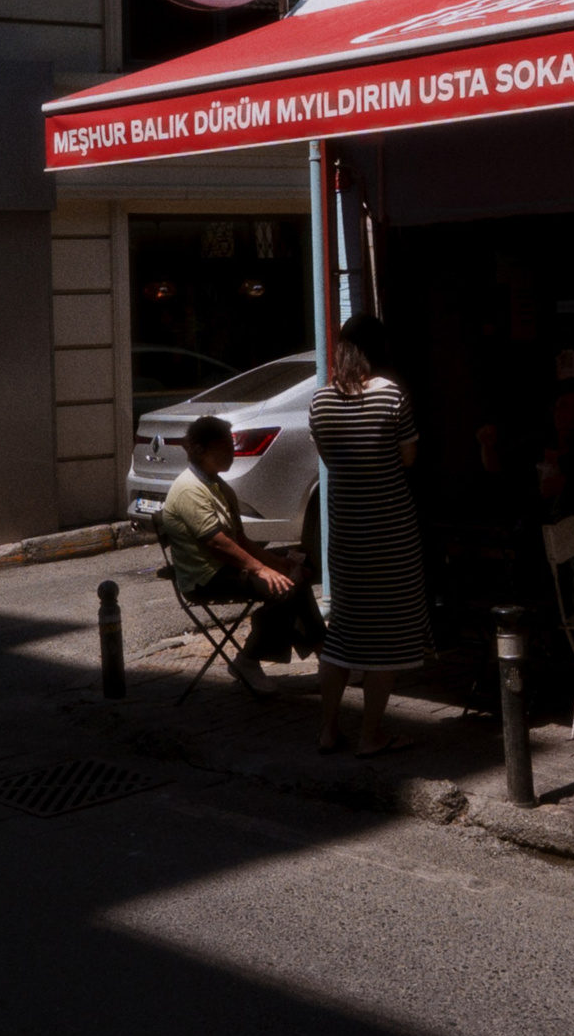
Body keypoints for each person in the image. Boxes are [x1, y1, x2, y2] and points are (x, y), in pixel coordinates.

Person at [309, 314, 426, 756]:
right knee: (387, 639)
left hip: (343, 534)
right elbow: (409, 457)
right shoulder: (392, 395)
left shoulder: (320, 403)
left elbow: (329, 457)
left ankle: (327, 730)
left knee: (341, 634)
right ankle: (371, 735)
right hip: (391, 533)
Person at [158, 415, 323, 692]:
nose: (232, 453)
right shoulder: (188, 489)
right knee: (285, 588)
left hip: (227, 567)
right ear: (203, 449)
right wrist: (261, 570)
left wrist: (278, 563)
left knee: (295, 576)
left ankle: (326, 655)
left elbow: (241, 540)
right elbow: (217, 543)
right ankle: (248, 660)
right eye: (226, 447)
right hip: (205, 577)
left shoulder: (219, 486)